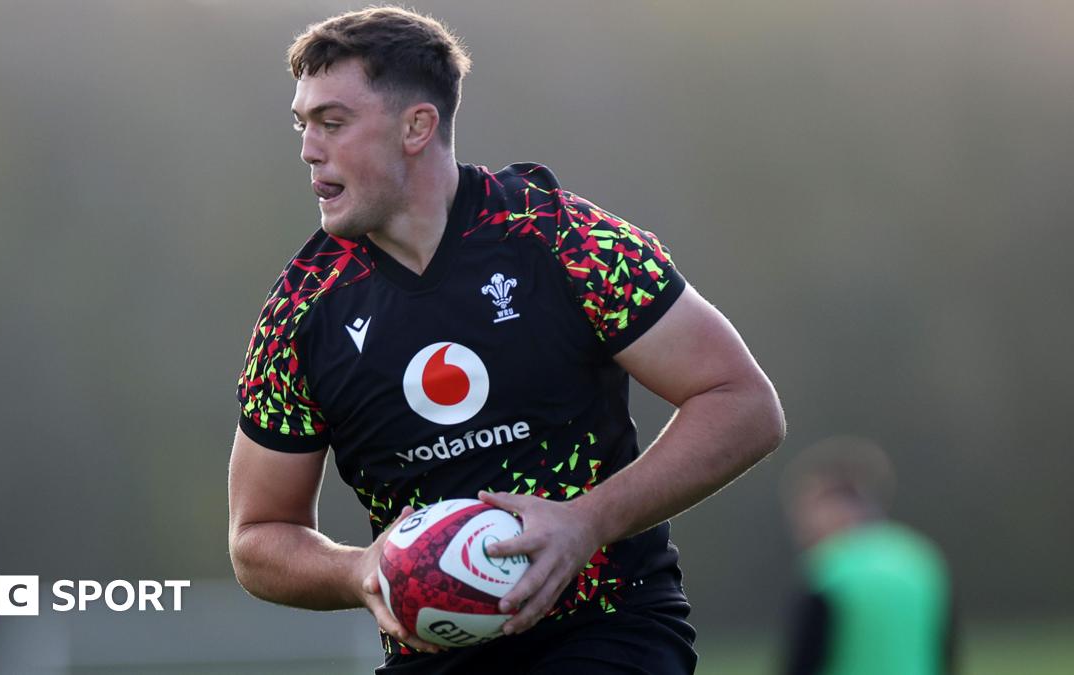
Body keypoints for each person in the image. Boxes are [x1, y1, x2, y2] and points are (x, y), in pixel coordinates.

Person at [227, 7, 785, 673]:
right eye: (303, 124)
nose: (308, 149)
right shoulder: (301, 310)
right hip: (430, 655)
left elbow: (744, 402)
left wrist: (588, 522)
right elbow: (257, 535)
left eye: (333, 122)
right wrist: (359, 569)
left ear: (417, 126)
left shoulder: (561, 239)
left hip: (607, 630)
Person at [781, 436, 956, 675]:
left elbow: (803, 661)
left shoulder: (829, 568)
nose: (800, 524)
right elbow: (946, 652)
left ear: (835, 508)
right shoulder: (921, 558)